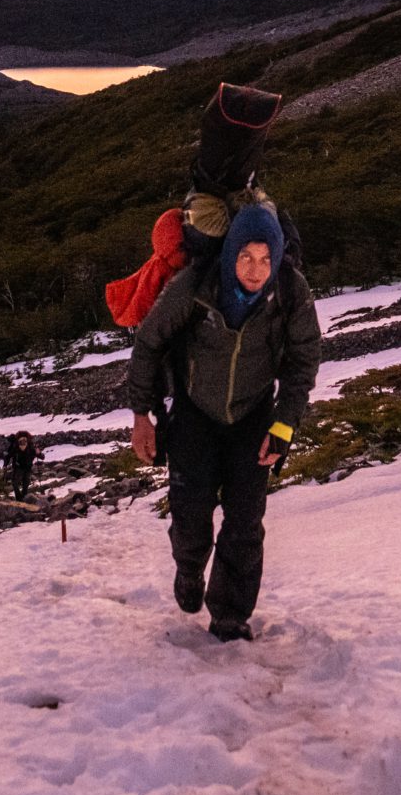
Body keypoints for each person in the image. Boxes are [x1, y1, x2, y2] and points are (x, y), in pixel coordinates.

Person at [125, 200, 323, 642]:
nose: (255, 269)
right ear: (231, 251)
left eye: (265, 259)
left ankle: (230, 616)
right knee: (191, 515)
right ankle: (190, 569)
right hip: (195, 414)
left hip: (253, 417)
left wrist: (284, 425)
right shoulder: (193, 287)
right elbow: (149, 344)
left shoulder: (290, 292)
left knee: (245, 523)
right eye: (245, 257)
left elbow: (303, 360)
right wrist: (142, 415)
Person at [6, 430, 36, 502]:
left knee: (21, 484)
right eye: (21, 444)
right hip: (20, 467)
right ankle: (21, 499)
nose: (23, 446)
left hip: (24, 467)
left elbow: (8, 456)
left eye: (24, 443)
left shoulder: (30, 448)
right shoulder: (16, 448)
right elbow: (8, 456)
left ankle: (21, 499)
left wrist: (5, 464)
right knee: (20, 483)